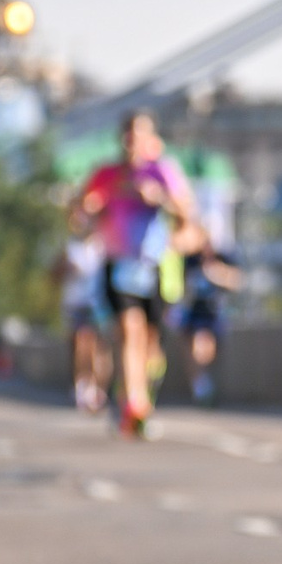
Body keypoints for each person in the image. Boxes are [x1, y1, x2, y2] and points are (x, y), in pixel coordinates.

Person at [74, 110, 196, 437]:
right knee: (128, 331)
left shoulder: (162, 171)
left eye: (139, 135)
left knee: (151, 343)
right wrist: (89, 212)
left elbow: (186, 216)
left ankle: (137, 391)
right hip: (118, 264)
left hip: (154, 267)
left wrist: (159, 198)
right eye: (127, 135)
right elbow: (79, 214)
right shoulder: (106, 174)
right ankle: (134, 405)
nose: (132, 142)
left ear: (151, 139)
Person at [174, 222, 242, 406]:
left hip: (214, 313)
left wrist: (217, 275)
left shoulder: (223, 258)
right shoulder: (190, 260)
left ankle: (203, 383)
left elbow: (237, 281)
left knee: (207, 352)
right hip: (193, 312)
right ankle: (201, 386)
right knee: (196, 348)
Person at [52, 229, 109, 414]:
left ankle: (97, 388)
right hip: (75, 303)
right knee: (80, 343)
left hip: (99, 304)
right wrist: (65, 267)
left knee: (100, 347)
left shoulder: (104, 243)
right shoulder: (69, 245)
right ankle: (83, 385)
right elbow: (53, 275)